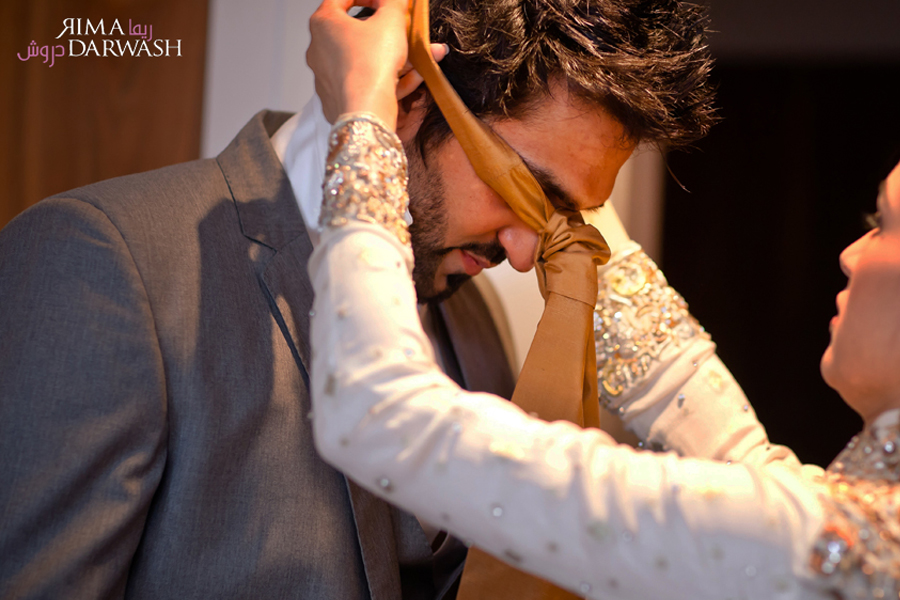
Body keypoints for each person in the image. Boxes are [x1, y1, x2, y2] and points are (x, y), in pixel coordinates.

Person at [0, 0, 717, 598]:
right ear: (408, 91)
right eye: (524, 189)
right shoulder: (106, 262)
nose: (527, 254)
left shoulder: (473, 315)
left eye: (563, 217)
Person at [306, 1, 900, 598]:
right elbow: (725, 437)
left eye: (883, 223)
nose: (850, 253)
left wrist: (364, 116)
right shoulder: (839, 527)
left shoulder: (823, 537)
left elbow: (378, 411)